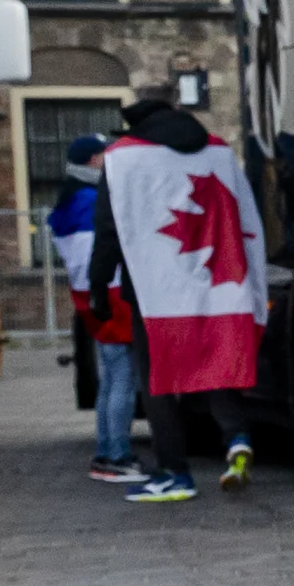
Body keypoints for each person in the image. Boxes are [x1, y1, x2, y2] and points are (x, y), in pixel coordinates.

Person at [90, 91, 268, 505]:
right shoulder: (219, 152)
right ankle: (236, 436)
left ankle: (175, 472)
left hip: (155, 290)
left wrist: (99, 286)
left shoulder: (123, 158)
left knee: (158, 380)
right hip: (217, 283)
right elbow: (246, 213)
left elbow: (109, 230)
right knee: (217, 366)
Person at [50, 135, 145, 482]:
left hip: (91, 295)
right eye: (106, 155)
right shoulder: (91, 200)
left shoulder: (70, 199)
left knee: (110, 378)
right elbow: (105, 249)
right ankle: (117, 455)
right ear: (93, 160)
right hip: (112, 293)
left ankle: (106, 452)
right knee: (123, 378)